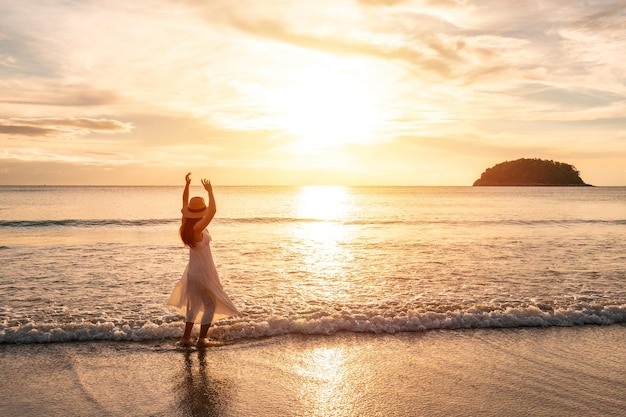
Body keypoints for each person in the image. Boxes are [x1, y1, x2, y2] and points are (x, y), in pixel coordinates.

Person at [168, 173, 239, 348]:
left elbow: (184, 203)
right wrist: (210, 191)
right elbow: (213, 211)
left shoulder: (186, 225)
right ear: (200, 212)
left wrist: (187, 185)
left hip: (193, 271)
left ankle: (186, 339)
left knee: (193, 306)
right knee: (210, 306)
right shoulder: (198, 228)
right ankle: (201, 340)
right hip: (203, 272)